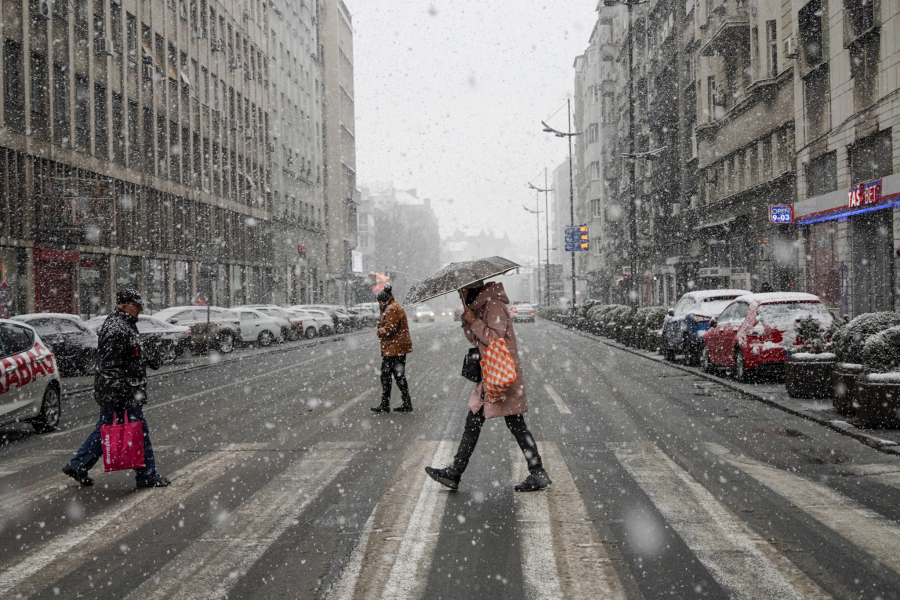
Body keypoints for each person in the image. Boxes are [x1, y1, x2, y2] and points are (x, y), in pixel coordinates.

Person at [425, 280, 551, 492]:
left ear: (472, 289)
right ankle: (456, 471)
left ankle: (537, 472)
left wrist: (474, 321)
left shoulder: (493, 305)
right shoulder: (482, 307)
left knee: (511, 423)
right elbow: (474, 339)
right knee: (482, 420)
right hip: (490, 373)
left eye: (462, 290)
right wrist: (468, 321)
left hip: (502, 372)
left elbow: (494, 339)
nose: (460, 294)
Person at [62, 289, 171, 488]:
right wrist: (122, 393)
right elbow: (110, 365)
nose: (139, 309)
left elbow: (130, 353)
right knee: (138, 431)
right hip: (122, 391)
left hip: (120, 389)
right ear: (124, 305)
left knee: (106, 428)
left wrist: (148, 357)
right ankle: (147, 476)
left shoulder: (124, 325)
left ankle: (78, 464)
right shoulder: (117, 327)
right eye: (136, 306)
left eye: (140, 306)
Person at [372, 285, 413, 413]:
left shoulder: (392, 309)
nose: (379, 304)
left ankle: (386, 404)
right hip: (396, 347)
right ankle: (405, 402)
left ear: (384, 300)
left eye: (380, 302)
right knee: (396, 375)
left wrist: (379, 331)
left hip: (395, 348)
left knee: (387, 375)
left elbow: (389, 329)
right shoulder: (392, 306)